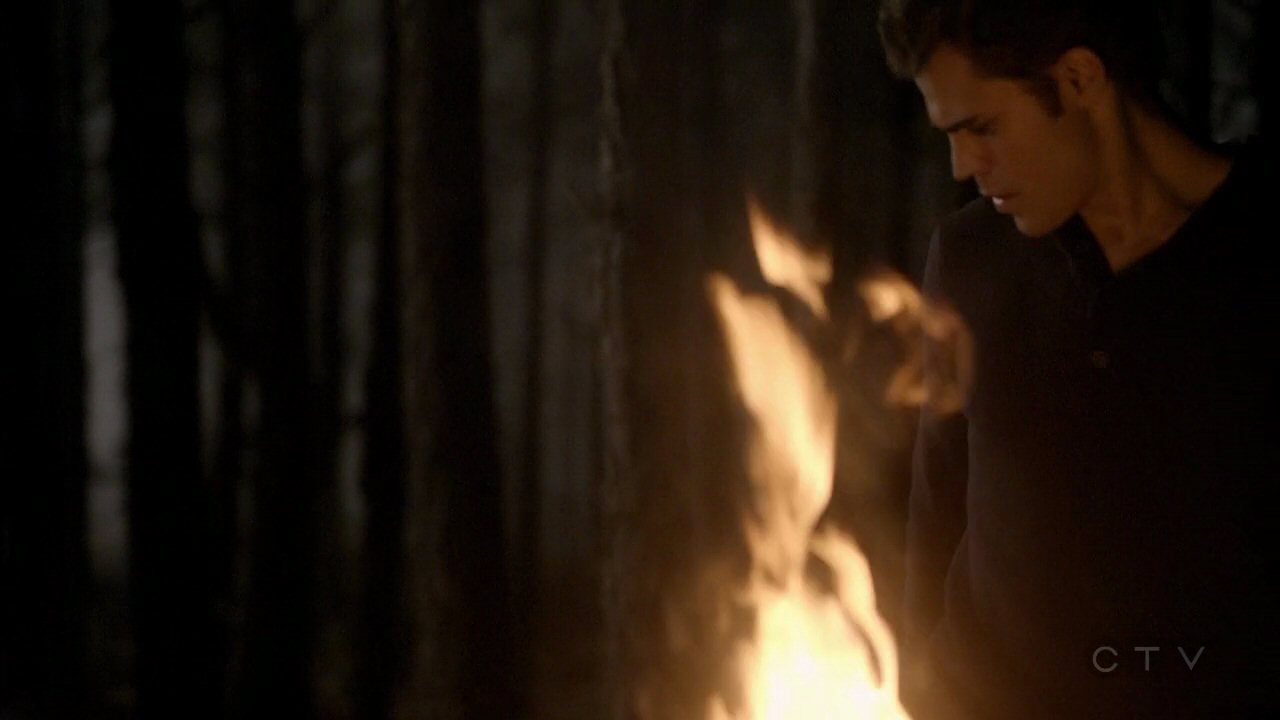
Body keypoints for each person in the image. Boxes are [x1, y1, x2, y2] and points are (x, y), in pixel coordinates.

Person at [877, 1, 1277, 717]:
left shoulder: (1260, 256)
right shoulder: (969, 258)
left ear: (1079, 78)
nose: (963, 166)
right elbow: (935, 512)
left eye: (982, 127)